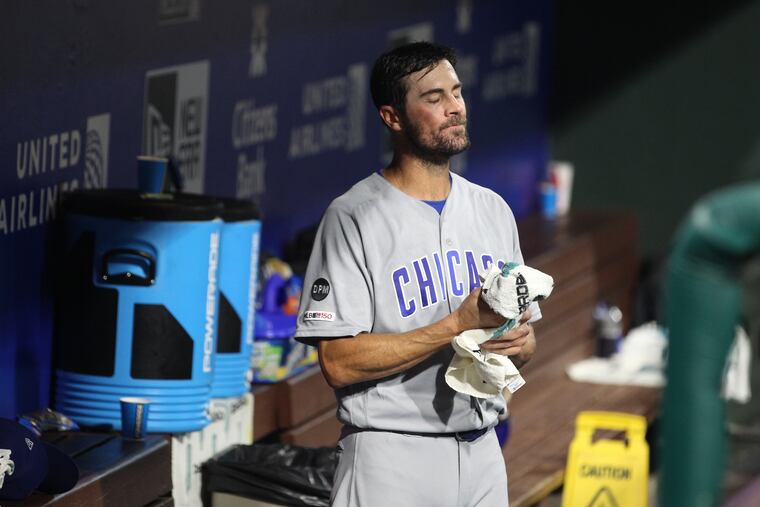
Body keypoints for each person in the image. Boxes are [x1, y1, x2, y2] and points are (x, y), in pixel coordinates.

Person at [295, 41, 540, 507]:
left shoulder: (492, 210)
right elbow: (337, 362)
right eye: (434, 98)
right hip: (392, 458)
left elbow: (526, 342)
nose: (455, 108)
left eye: (457, 92)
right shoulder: (353, 217)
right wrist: (455, 327)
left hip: (485, 450)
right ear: (392, 117)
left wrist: (516, 344)